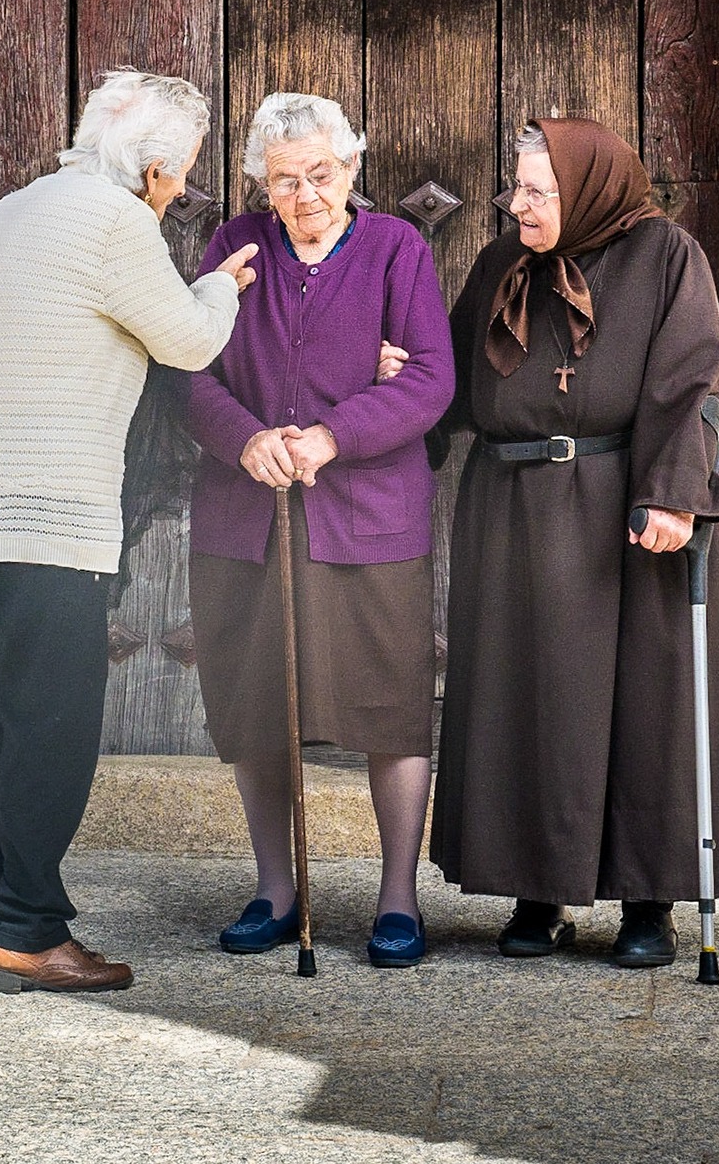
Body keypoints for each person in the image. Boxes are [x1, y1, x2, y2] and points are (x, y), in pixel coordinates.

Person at [0, 70, 259, 994]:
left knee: (5, 725)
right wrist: (221, 286)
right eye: (182, 176)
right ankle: (30, 933)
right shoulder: (115, 222)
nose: (179, 190)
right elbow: (190, 340)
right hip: (51, 516)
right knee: (54, 730)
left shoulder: (8, 211)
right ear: (155, 169)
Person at [425, 116, 719, 967]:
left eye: (538, 191)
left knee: (645, 707)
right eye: (517, 188)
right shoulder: (504, 263)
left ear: (590, 187)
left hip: (626, 506)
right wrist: (400, 388)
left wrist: (675, 494)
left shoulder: (667, 256)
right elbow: (449, 371)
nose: (518, 204)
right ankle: (539, 890)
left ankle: (651, 902)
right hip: (513, 509)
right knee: (528, 701)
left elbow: (696, 381)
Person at [186, 93, 453, 968]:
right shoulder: (234, 246)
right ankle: (275, 887)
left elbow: (431, 381)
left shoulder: (394, 249)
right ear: (263, 183)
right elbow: (189, 366)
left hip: (370, 515)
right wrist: (247, 438)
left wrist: (337, 434)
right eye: (284, 180)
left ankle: (397, 899)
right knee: (258, 701)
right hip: (249, 515)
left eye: (321, 175)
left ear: (352, 170)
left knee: (391, 704)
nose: (304, 196)